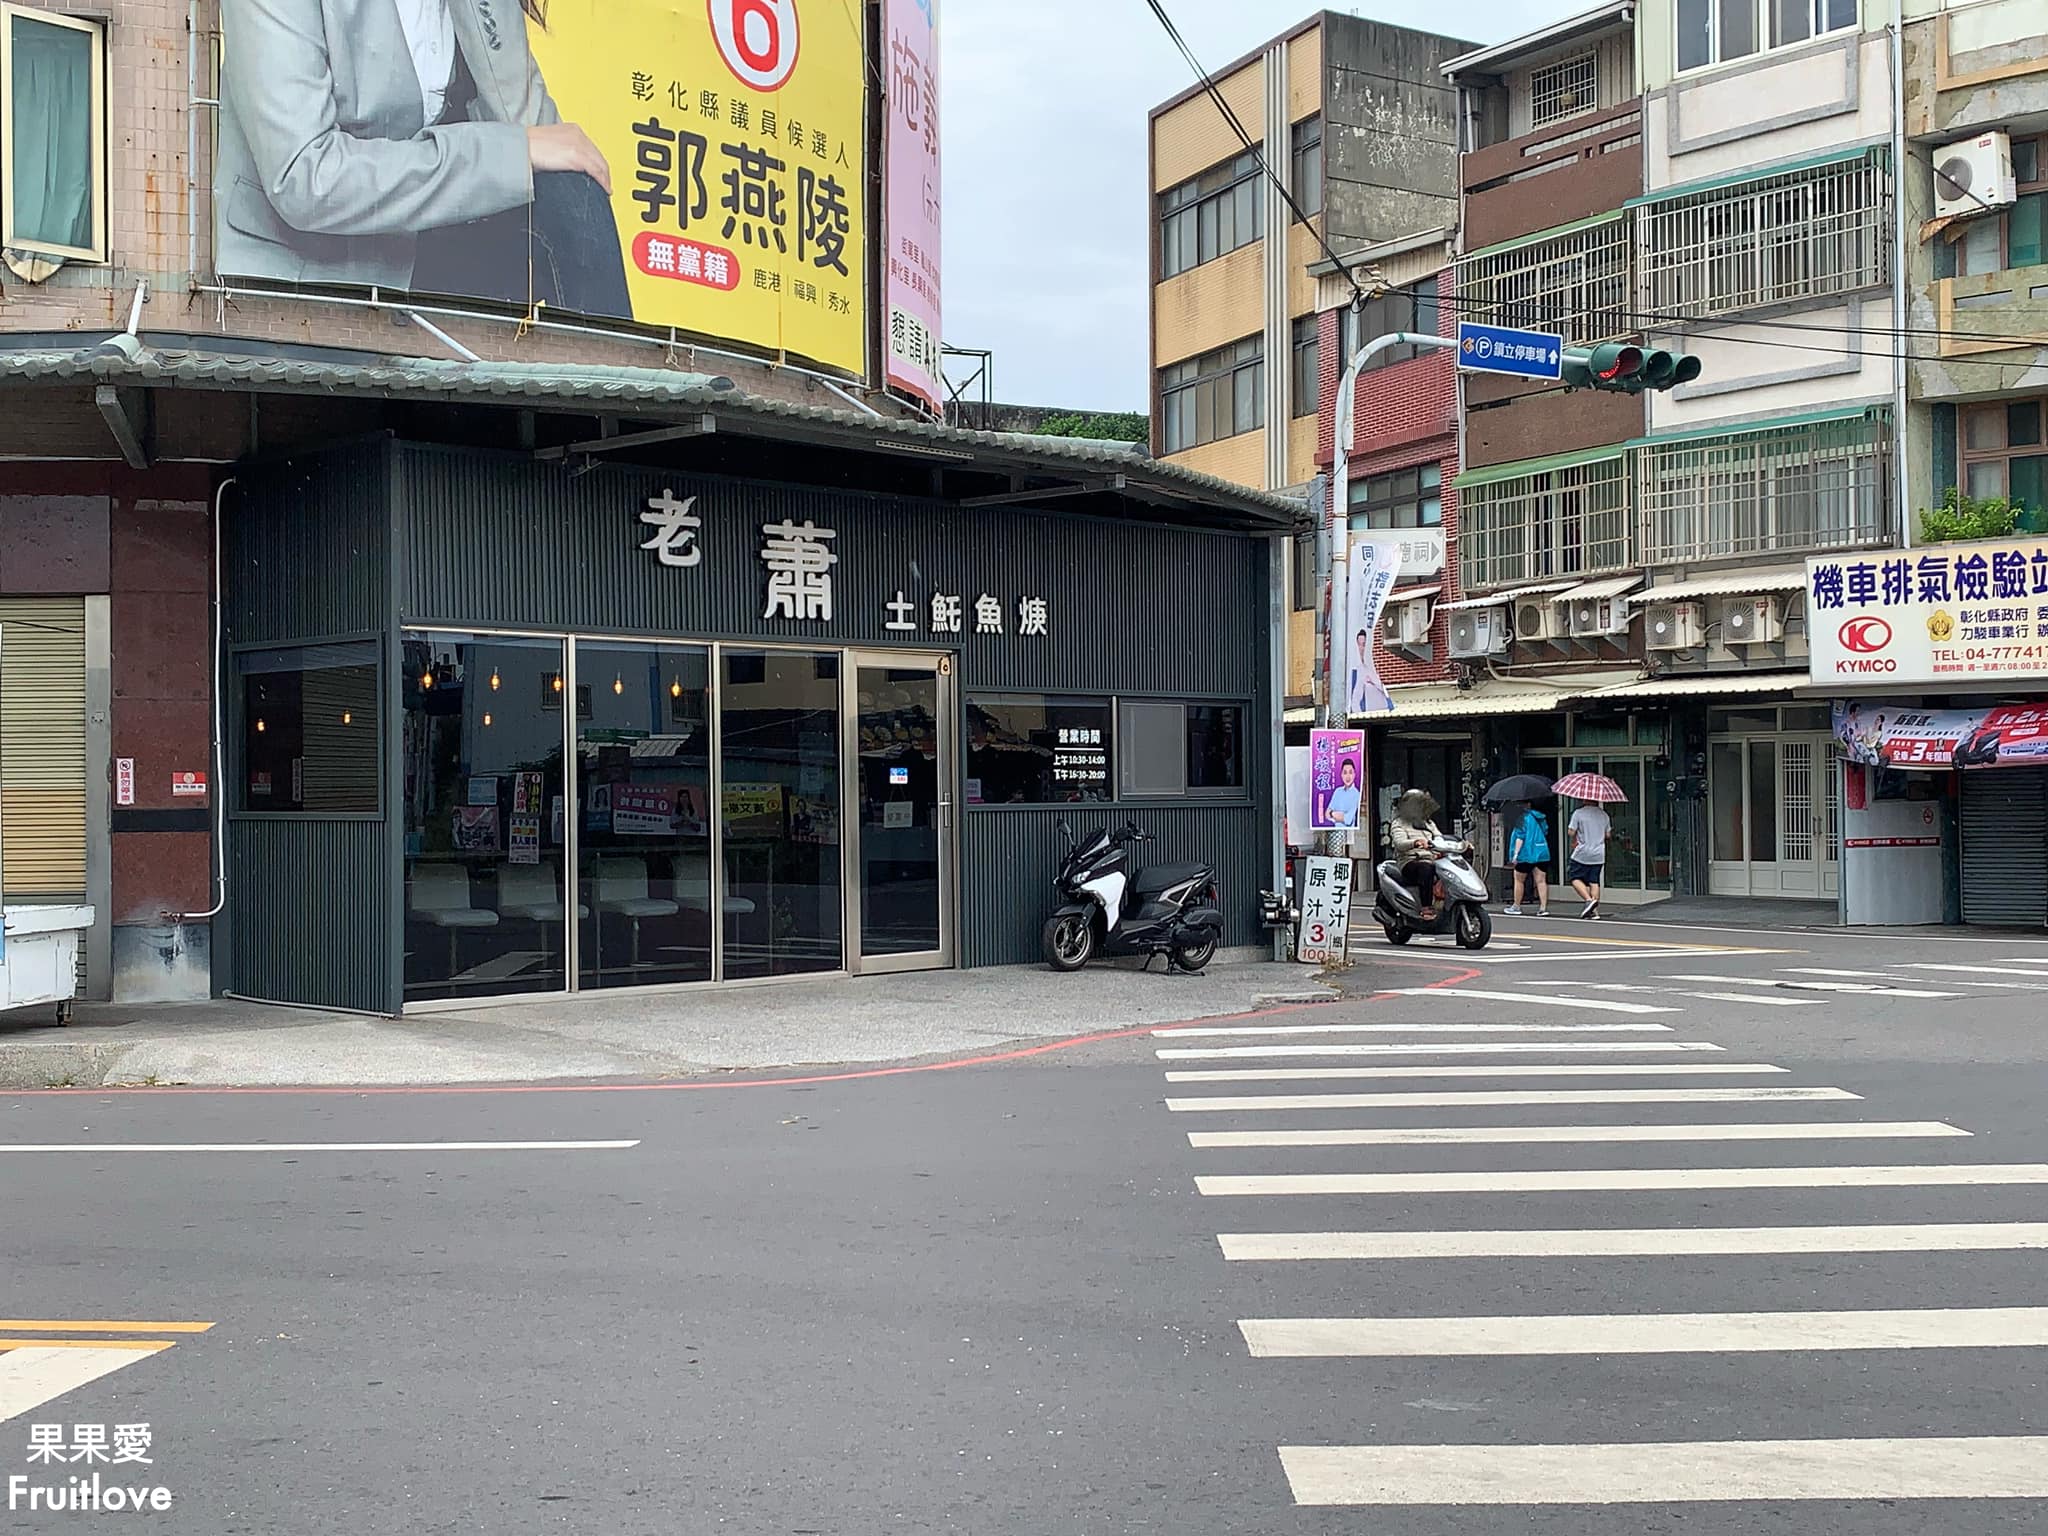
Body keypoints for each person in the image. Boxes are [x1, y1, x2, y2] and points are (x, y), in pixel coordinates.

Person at [217, 0, 632, 319]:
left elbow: (533, 135)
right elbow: (307, 179)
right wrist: (510, 151)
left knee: (570, 198)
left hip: (414, 258)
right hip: (303, 273)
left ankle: (629, 416)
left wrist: (528, 153)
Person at [1390, 788, 1450, 920]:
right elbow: (1400, 843)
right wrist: (1415, 842)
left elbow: (1439, 837)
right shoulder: (1399, 823)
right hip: (1410, 861)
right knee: (1426, 869)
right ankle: (1426, 907)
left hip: (1432, 858)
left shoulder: (1428, 823)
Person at [1503, 803, 1550, 917]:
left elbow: (1520, 837)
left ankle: (1516, 906)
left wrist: (1515, 854)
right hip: (1541, 851)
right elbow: (1545, 831)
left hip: (1526, 853)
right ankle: (1543, 908)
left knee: (1519, 880)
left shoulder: (1521, 819)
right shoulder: (1538, 817)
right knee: (1541, 880)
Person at [1567, 799, 1610, 919]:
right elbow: (1608, 835)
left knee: (1574, 877)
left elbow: (1571, 832)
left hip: (1582, 852)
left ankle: (1588, 900)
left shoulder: (1578, 813)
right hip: (1599, 854)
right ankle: (1595, 912)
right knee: (1594, 881)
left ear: (1585, 799)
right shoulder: (1604, 814)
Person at [1348, 630, 1391, 715]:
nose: (1361, 648)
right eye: (1359, 645)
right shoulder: (1360, 670)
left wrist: (1373, 682)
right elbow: (1355, 700)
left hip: (1386, 712)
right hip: (1372, 715)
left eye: (1363, 645)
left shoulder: (1379, 665)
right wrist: (1360, 717)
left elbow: (1387, 690)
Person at [1323, 758, 1362, 829]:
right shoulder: (1337, 791)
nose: (1348, 776)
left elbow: (1348, 820)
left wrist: (1332, 814)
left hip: (1349, 834)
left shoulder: (1357, 795)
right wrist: (1337, 815)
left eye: (1350, 772)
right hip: (1335, 833)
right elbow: (1327, 814)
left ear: (1354, 774)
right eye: (1345, 772)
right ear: (1341, 775)